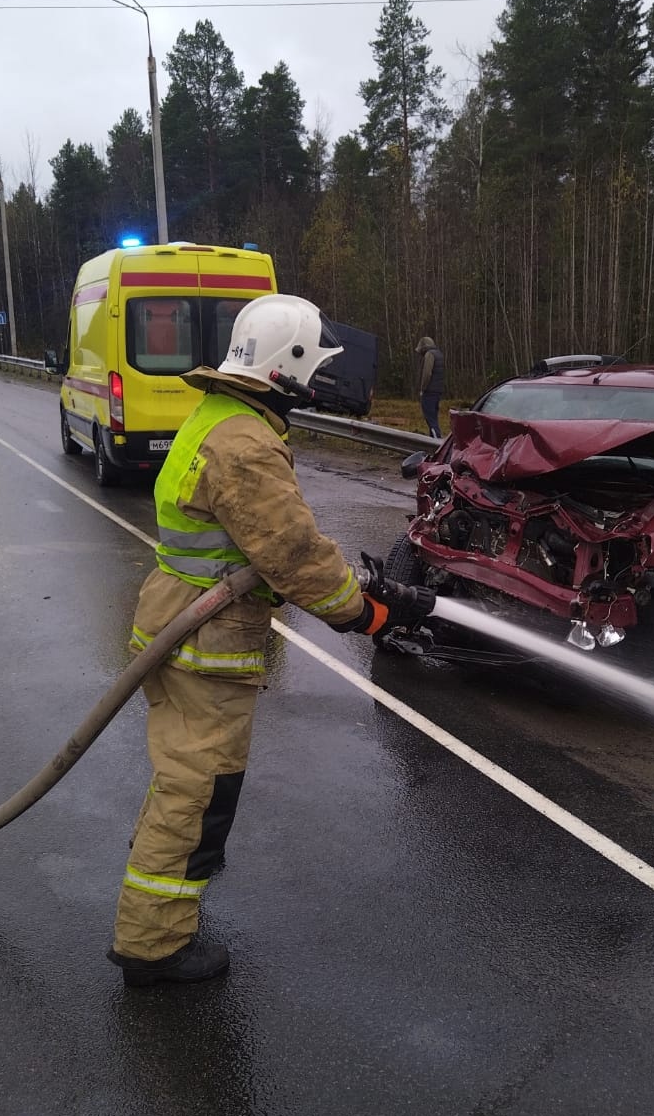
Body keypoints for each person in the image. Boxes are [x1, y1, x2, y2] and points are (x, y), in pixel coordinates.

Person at [108, 294, 434, 989]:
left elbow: (272, 544)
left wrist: (353, 586)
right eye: (312, 365)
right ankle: (153, 943)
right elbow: (293, 554)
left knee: (183, 783)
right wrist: (366, 614)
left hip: (181, 624)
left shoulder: (222, 418)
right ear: (287, 363)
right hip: (202, 640)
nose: (319, 380)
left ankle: (165, 899)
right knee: (196, 790)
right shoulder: (247, 443)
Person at [416, 334, 445, 438]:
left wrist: (422, 389)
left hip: (429, 391)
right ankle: (433, 438)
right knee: (434, 416)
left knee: (430, 417)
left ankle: (436, 438)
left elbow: (427, 373)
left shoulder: (429, 355)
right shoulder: (439, 354)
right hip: (437, 390)